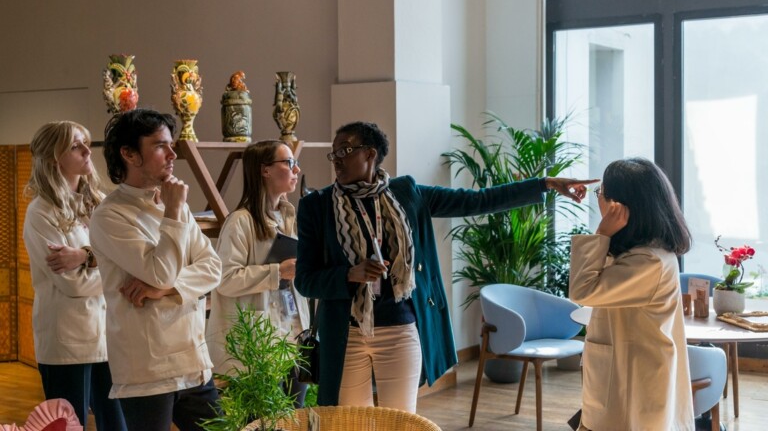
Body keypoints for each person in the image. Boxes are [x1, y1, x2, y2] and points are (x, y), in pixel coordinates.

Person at [294, 121, 596, 412]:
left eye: (345, 150)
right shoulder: (317, 207)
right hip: (347, 334)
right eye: (334, 152)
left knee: (401, 421)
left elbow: (478, 201)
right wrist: (349, 274)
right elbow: (305, 281)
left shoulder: (407, 194)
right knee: (351, 424)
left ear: (370, 154)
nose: (337, 159)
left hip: (399, 331)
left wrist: (544, 184)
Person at [89, 109, 222, 431]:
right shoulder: (110, 215)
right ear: (129, 154)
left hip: (193, 360)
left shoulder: (173, 204)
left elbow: (213, 267)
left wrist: (169, 289)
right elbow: (159, 271)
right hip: (147, 368)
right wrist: (174, 211)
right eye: (160, 145)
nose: (173, 154)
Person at [569, 157, 694, 431]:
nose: (598, 200)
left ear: (618, 207)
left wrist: (602, 232)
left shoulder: (648, 263)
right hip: (625, 377)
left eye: (600, 193)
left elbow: (582, 290)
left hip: (633, 388)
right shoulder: (642, 252)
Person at [22, 121, 127, 430]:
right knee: (70, 425)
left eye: (86, 143)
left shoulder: (98, 204)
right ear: (54, 157)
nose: (86, 151)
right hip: (66, 343)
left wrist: (85, 256)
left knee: (117, 425)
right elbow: (74, 284)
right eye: (75, 145)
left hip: (107, 337)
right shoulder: (41, 212)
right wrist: (113, 273)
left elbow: (125, 261)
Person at [206, 140, 310, 407]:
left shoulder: (289, 216)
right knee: (263, 421)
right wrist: (278, 271)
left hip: (293, 335)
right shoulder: (240, 221)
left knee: (294, 417)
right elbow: (225, 280)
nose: (295, 170)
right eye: (288, 163)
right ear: (265, 170)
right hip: (259, 344)